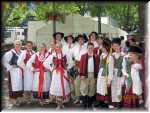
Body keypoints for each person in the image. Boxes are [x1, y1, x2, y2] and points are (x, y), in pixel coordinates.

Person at [43, 43, 70, 109]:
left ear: (61, 47)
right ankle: (58, 104)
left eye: (59, 47)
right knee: (57, 88)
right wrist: (52, 68)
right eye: (57, 47)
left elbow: (71, 62)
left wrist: (67, 67)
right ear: (55, 47)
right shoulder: (53, 55)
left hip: (63, 74)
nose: (58, 48)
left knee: (63, 88)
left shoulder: (65, 55)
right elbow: (45, 63)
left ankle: (61, 103)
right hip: (56, 74)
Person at [3, 40, 23, 108]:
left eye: (19, 44)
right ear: (14, 45)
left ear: (21, 45)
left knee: (20, 85)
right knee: (13, 86)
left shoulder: (22, 52)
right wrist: (10, 67)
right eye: (16, 44)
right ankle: (13, 100)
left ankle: (18, 99)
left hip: (20, 71)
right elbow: (4, 61)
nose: (18, 45)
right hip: (13, 72)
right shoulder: (10, 53)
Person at [79, 43, 99, 109]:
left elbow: (98, 66)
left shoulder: (96, 56)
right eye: (89, 48)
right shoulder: (83, 56)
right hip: (85, 74)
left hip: (93, 74)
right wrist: (81, 74)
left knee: (92, 88)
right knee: (84, 88)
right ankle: (84, 104)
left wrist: (97, 75)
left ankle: (90, 104)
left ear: (93, 48)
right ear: (87, 48)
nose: (90, 49)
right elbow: (81, 66)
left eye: (91, 48)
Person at [96, 38, 114, 108]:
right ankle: (101, 102)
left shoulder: (110, 57)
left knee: (104, 90)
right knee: (100, 88)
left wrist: (109, 81)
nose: (101, 48)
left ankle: (105, 103)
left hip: (105, 76)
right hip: (100, 74)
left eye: (103, 47)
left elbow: (111, 70)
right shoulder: (102, 55)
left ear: (106, 47)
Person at [72, 34, 87, 104]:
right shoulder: (75, 47)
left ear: (84, 40)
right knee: (76, 83)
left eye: (82, 39)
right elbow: (73, 57)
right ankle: (77, 98)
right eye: (79, 39)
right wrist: (74, 64)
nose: (80, 41)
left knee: (83, 84)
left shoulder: (86, 48)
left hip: (83, 67)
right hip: (76, 66)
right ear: (77, 41)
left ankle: (82, 98)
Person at [111, 38, 125, 108]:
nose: (115, 47)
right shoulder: (112, 55)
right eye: (114, 46)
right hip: (113, 74)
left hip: (120, 73)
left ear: (120, 46)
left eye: (116, 46)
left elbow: (125, 67)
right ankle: (114, 103)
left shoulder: (123, 55)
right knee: (113, 88)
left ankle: (119, 104)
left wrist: (124, 77)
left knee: (119, 88)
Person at [62, 34, 75, 101]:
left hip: (73, 66)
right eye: (68, 39)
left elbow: (75, 57)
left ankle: (73, 96)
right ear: (66, 40)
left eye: (70, 39)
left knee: (72, 82)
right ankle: (67, 96)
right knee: (66, 82)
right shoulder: (64, 46)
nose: (69, 40)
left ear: (72, 40)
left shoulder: (75, 46)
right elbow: (63, 56)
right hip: (66, 67)